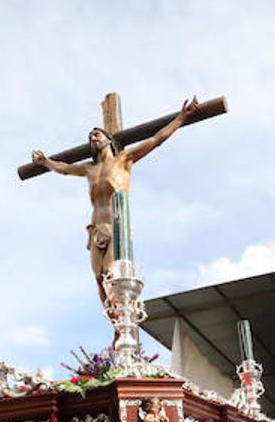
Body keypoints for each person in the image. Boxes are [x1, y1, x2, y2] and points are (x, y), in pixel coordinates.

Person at [31, 96, 200, 303]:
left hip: (115, 226)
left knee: (110, 274)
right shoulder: (88, 169)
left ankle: (123, 321)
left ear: (109, 140)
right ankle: (115, 327)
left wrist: (181, 117)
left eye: (97, 134)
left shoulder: (124, 160)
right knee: (98, 278)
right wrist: (45, 161)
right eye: (90, 137)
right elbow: (64, 169)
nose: (93, 138)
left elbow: (156, 140)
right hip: (96, 229)